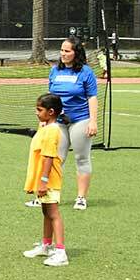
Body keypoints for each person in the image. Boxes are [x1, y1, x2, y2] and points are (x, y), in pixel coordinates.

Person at [36, 36, 98, 211]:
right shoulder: (55, 71)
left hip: (80, 120)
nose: (63, 54)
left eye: (67, 51)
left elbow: (92, 97)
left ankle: (81, 198)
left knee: (81, 158)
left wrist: (93, 121)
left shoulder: (86, 72)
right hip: (58, 122)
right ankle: (47, 196)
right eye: (62, 50)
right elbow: (50, 97)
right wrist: (46, 120)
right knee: (55, 158)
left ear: (76, 53)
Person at [21, 93, 69, 267]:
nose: (36, 112)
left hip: (49, 180)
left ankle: (61, 251)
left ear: (51, 112)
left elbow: (48, 157)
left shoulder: (52, 131)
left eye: (39, 110)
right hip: (43, 179)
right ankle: (47, 244)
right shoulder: (46, 127)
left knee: (53, 213)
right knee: (46, 212)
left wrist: (43, 181)